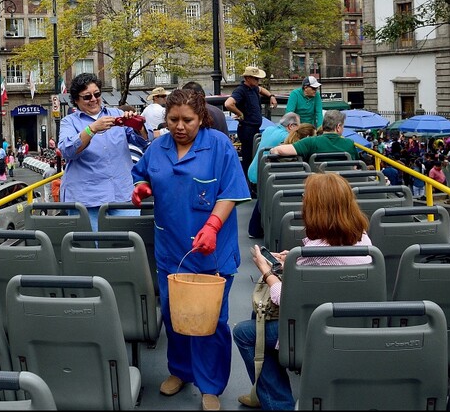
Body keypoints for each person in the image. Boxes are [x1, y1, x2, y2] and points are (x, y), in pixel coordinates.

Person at [130, 89, 250, 411]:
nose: (179, 126)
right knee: (175, 316)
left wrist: (212, 226)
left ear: (201, 118)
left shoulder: (219, 145)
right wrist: (141, 188)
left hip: (211, 251)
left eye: (187, 120)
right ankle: (180, 371)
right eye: (173, 120)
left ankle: (210, 385)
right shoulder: (157, 148)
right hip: (171, 250)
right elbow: (142, 176)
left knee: (211, 322)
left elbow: (232, 191)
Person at [233, 173, 373, 409]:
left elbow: (283, 299)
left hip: (314, 329)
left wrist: (266, 272)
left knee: (246, 333)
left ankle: (277, 401)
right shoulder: (364, 241)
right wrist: (294, 261)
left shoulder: (316, 253)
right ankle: (263, 390)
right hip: (354, 325)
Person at [58, 73, 150, 230]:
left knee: (126, 247)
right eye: (87, 97)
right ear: (76, 100)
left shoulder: (117, 114)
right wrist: (92, 129)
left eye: (97, 94)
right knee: (92, 250)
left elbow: (143, 142)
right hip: (86, 198)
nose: (93, 99)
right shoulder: (69, 121)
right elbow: (67, 151)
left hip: (122, 194)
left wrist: (138, 125)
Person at [245, 113, 301, 238]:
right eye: (298, 126)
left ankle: (255, 230)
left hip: (254, 172)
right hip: (264, 174)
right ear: (291, 126)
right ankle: (256, 230)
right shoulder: (286, 137)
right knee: (267, 198)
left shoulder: (269, 129)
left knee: (263, 199)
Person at [224, 66, 278, 179]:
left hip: (253, 128)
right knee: (249, 158)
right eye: (256, 78)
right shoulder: (241, 90)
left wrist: (271, 96)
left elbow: (261, 89)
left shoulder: (254, 87)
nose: (258, 81)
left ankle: (251, 183)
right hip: (247, 128)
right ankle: (248, 184)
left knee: (253, 156)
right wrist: (240, 114)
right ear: (248, 78)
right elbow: (228, 104)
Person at [268, 110, 359, 161]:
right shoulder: (349, 144)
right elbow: (357, 166)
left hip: (317, 189)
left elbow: (280, 150)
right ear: (338, 127)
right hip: (343, 189)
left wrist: (273, 150)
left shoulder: (310, 142)